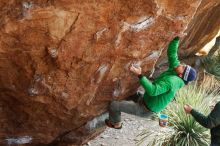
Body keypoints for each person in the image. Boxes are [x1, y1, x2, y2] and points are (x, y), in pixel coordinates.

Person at [105, 36, 197, 129]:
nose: (182, 65)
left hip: (145, 110)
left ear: (181, 75)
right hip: (146, 100)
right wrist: (176, 39)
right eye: (184, 66)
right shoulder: (177, 71)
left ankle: (116, 124)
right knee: (130, 92)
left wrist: (140, 75)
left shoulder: (172, 82)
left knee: (114, 105)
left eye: (184, 68)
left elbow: (153, 91)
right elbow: (172, 55)